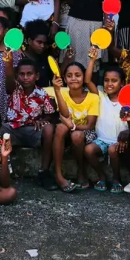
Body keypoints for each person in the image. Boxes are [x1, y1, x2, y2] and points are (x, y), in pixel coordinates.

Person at [3, 57, 56, 190]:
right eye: (22, 74)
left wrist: (43, 120)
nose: (25, 78)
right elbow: (9, 79)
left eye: (29, 74)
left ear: (36, 76)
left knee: (49, 129)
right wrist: (8, 62)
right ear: (17, 76)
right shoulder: (14, 88)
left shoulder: (42, 93)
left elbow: (50, 114)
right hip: (13, 129)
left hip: (32, 130)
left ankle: (44, 172)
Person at [83, 55, 129, 193]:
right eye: (106, 80)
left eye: (114, 81)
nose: (109, 84)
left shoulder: (128, 101)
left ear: (122, 83)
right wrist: (92, 60)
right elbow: (87, 80)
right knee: (88, 150)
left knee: (112, 150)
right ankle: (101, 176)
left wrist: (128, 134)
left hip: (119, 142)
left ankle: (116, 179)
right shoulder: (100, 96)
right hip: (102, 140)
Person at [53, 62, 99, 192]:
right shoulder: (62, 93)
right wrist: (57, 91)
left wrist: (71, 125)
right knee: (61, 128)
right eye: (69, 76)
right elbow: (65, 115)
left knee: (76, 135)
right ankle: (58, 174)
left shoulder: (93, 97)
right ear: (64, 78)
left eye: (78, 75)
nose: (73, 78)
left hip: (86, 134)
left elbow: (89, 125)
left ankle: (81, 169)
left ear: (84, 77)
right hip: (67, 133)